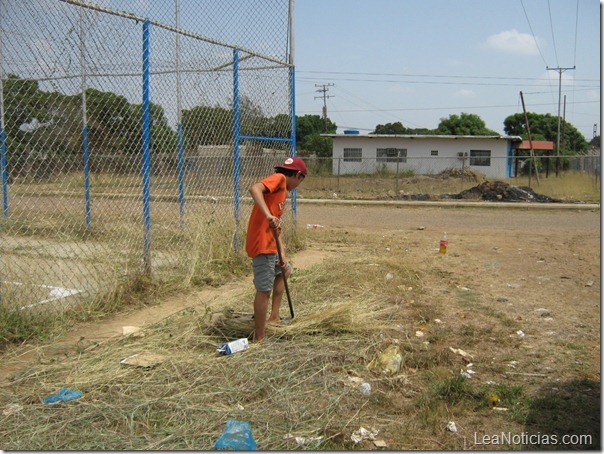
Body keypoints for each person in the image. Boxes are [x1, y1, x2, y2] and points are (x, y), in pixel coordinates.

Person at [246, 157, 307, 342]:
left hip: (271, 243)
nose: (298, 184)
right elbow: (254, 188)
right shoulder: (279, 179)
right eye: (300, 180)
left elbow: (276, 225)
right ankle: (259, 337)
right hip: (262, 244)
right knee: (264, 290)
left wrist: (283, 251)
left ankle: (274, 316)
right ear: (297, 175)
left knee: (284, 270)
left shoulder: (282, 192)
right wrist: (267, 214)